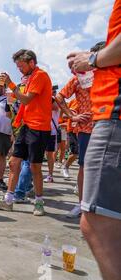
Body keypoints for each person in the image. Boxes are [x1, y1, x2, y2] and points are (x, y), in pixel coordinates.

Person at [67, 0, 121, 280]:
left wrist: (95, 58)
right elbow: (60, 97)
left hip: (114, 117)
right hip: (99, 123)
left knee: (99, 223)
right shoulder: (76, 84)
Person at [0, 49, 52, 216]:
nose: (19, 69)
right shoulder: (30, 78)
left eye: (21, 66)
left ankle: (39, 202)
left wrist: (10, 84)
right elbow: (20, 101)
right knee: (14, 162)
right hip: (26, 125)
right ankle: (8, 200)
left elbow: (25, 99)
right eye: (17, 67)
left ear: (31, 62)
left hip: (39, 127)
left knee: (34, 166)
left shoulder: (40, 76)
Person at [56, 42, 106, 218]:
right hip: (87, 129)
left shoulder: (111, 74)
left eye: (74, 64)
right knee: (84, 166)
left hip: (110, 126)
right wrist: (72, 116)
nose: (73, 69)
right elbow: (59, 96)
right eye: (70, 66)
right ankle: (82, 205)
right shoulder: (79, 79)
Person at [43, 86, 61, 183]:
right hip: (41, 129)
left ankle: (50, 175)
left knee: (49, 154)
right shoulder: (46, 99)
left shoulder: (54, 100)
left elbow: (55, 107)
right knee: (41, 153)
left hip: (51, 131)